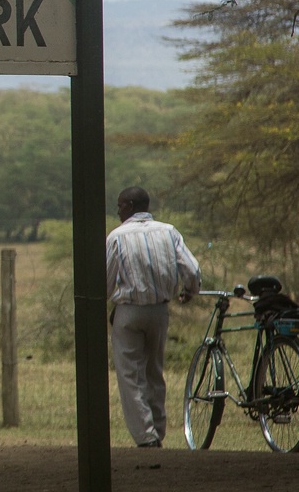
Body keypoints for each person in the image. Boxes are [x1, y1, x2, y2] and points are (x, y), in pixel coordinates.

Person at [105, 186, 200, 448]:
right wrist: (190, 291)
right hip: (159, 311)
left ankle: (147, 437)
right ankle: (158, 428)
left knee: (130, 375)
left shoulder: (117, 237)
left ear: (131, 205)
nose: (117, 211)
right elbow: (191, 269)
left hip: (129, 312)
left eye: (120, 205)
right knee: (154, 371)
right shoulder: (168, 231)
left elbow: (105, 282)